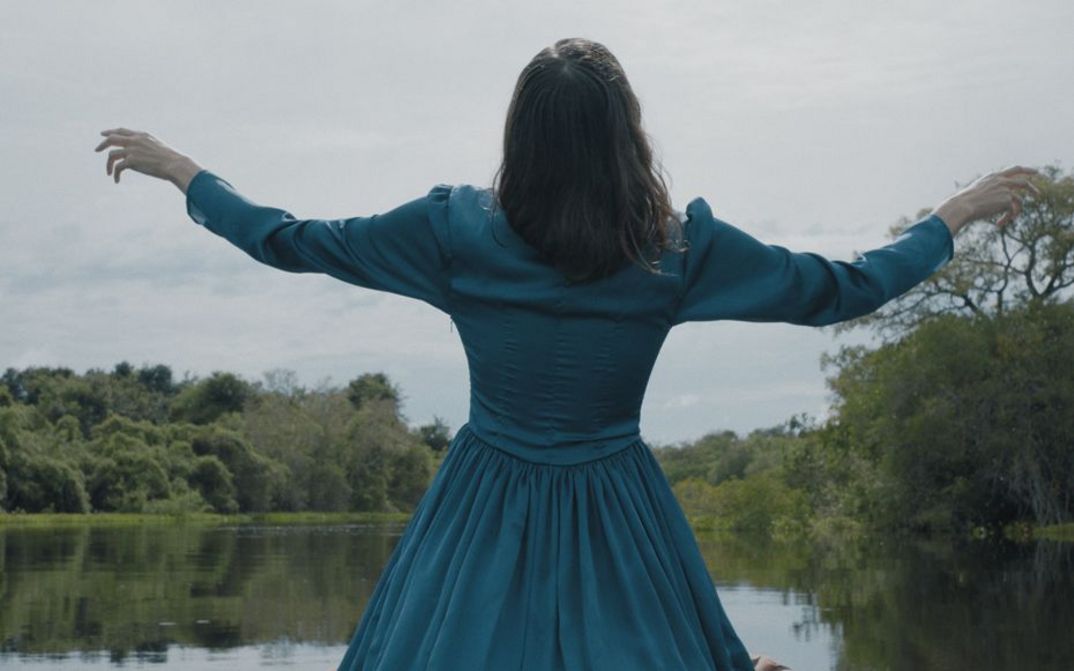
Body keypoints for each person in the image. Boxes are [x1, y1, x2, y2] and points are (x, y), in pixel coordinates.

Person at [95, 37, 1037, 671]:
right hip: (622, 510)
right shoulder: (674, 253)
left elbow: (289, 239)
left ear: (522, 139)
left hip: (478, 508)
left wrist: (188, 173)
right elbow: (845, 288)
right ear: (627, 141)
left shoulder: (454, 234)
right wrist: (951, 217)